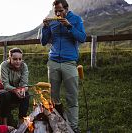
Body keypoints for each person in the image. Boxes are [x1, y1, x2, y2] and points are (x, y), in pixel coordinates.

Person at [41, 0, 86, 132]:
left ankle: (73, 127)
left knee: (71, 96)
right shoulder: (52, 21)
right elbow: (44, 42)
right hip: (53, 62)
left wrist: (70, 26)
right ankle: (57, 124)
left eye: (60, 11)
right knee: (53, 97)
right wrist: (44, 27)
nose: (58, 13)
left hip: (69, 62)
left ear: (66, 9)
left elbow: (82, 38)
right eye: (56, 11)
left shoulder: (76, 19)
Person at [0, 47, 29, 126]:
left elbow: (24, 83)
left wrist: (23, 89)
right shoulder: (4, 65)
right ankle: (4, 123)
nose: (18, 61)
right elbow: (5, 85)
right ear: (10, 58)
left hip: (16, 91)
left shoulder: (24, 66)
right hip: (2, 91)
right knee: (5, 94)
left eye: (20, 59)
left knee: (26, 95)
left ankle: (21, 122)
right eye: (15, 59)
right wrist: (16, 90)